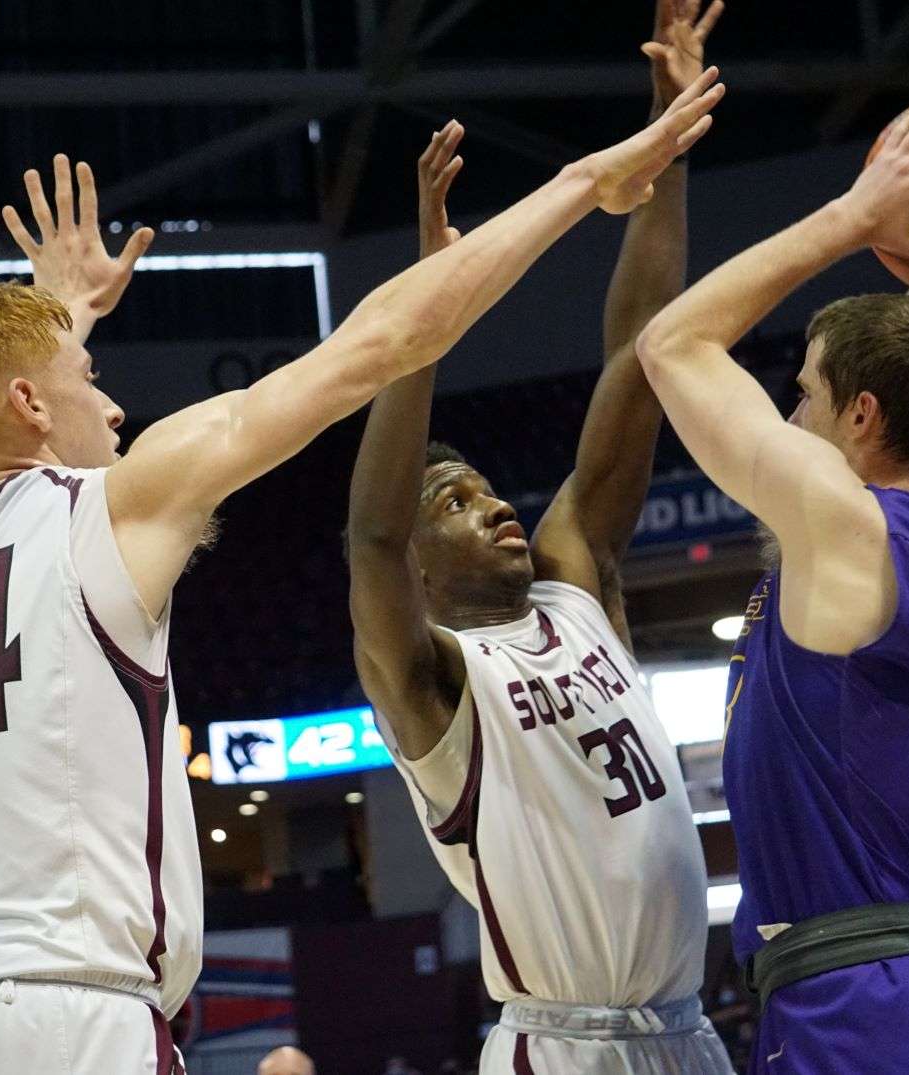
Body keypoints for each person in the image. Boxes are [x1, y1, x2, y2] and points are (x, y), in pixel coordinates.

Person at [0, 70, 724, 1075]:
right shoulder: (113, 505)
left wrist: (58, 319)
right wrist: (585, 181)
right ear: (29, 404)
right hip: (68, 1018)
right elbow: (383, 341)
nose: (116, 412)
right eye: (91, 383)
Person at [346, 4, 732, 1073]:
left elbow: (644, 352)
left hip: (692, 1033)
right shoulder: (433, 684)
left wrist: (667, 138)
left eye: (486, 488)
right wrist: (426, 312)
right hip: (561, 1047)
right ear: (423, 568)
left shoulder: (574, 584)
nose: (498, 505)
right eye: (459, 504)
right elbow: (370, 537)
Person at [636, 104, 909, 1074]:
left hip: (862, 1006)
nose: (787, 414)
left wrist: (857, 217)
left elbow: (674, 345)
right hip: (868, 994)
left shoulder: (852, 530)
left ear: (863, 414)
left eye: (806, 395)